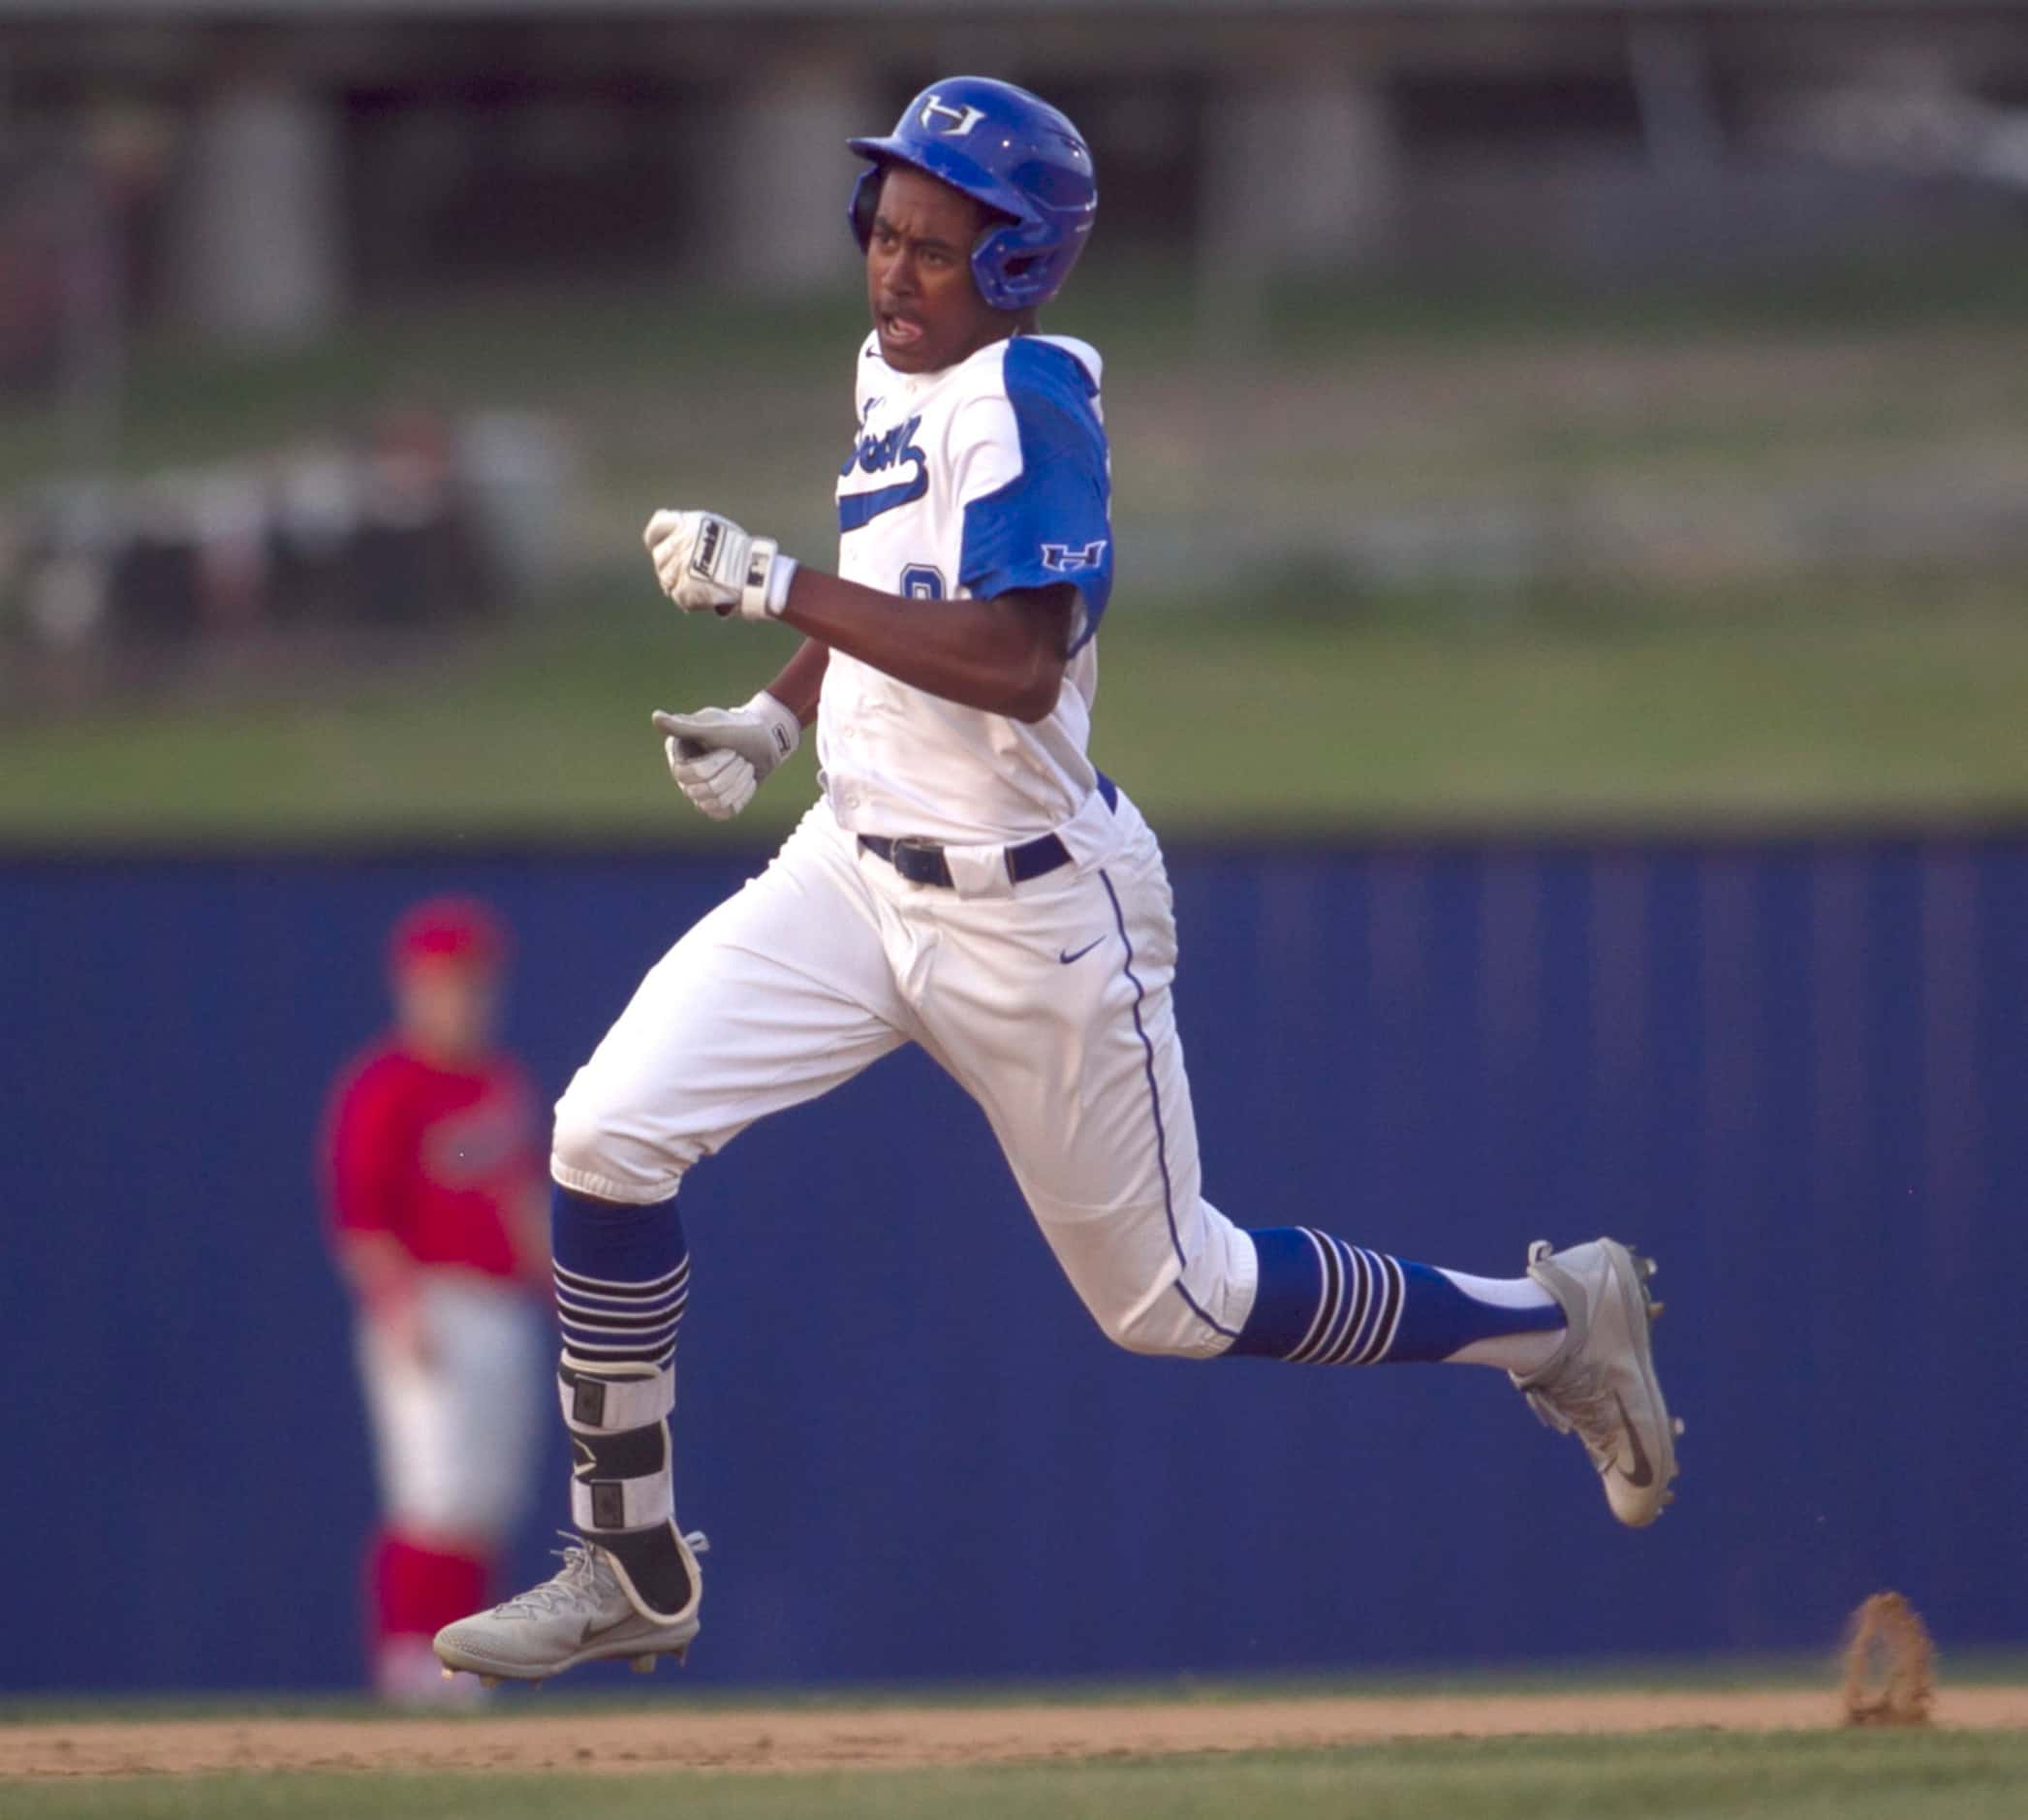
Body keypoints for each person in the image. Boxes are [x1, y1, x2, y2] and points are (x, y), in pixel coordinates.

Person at [433, 77, 1679, 1689]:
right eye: (884, 232)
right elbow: (893, 590)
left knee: (1174, 1295)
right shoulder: (891, 371)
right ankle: (629, 1561)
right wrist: (777, 708)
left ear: (1016, 267)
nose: (895, 271)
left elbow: (1017, 660)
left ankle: (1547, 1323)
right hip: (849, 871)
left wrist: (766, 585)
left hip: (1029, 909)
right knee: (602, 1134)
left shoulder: (1030, 396)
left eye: (936, 249)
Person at [322, 895, 549, 1703]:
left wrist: (559, 1291)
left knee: (487, 1498)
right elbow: (361, 1218)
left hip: (499, 1310)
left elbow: (519, 1205)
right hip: (429, 1304)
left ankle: (465, 1659)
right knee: (434, 1493)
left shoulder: (496, 1082)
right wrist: (397, 1307)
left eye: (474, 983)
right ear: (411, 986)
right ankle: (409, 1657)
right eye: (444, 982)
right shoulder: (387, 1086)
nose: (460, 998)